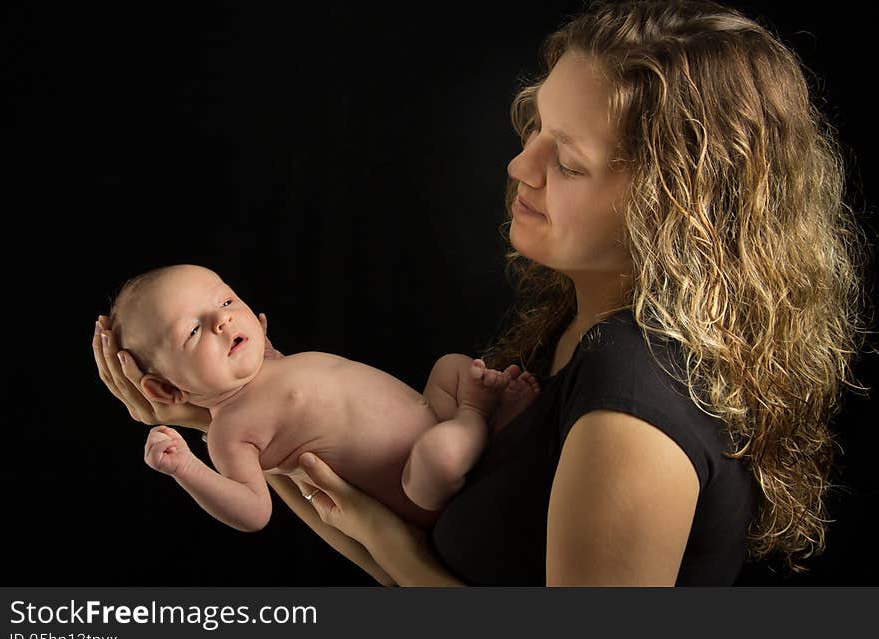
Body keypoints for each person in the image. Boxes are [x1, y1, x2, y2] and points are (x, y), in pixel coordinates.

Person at [93, 0, 872, 586]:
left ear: (672, 205)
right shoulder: (572, 327)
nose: (518, 167)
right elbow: (333, 478)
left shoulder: (632, 404)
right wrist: (222, 417)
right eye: (533, 127)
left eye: (564, 161)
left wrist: (400, 553)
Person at [105, 263, 540, 537]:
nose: (221, 318)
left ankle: (479, 427)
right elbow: (254, 512)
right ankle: (479, 416)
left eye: (225, 300)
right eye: (194, 331)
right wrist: (186, 468)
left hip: (431, 418)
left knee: (452, 366)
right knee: (440, 452)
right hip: (420, 484)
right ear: (165, 390)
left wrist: (264, 348)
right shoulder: (229, 431)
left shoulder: (271, 362)